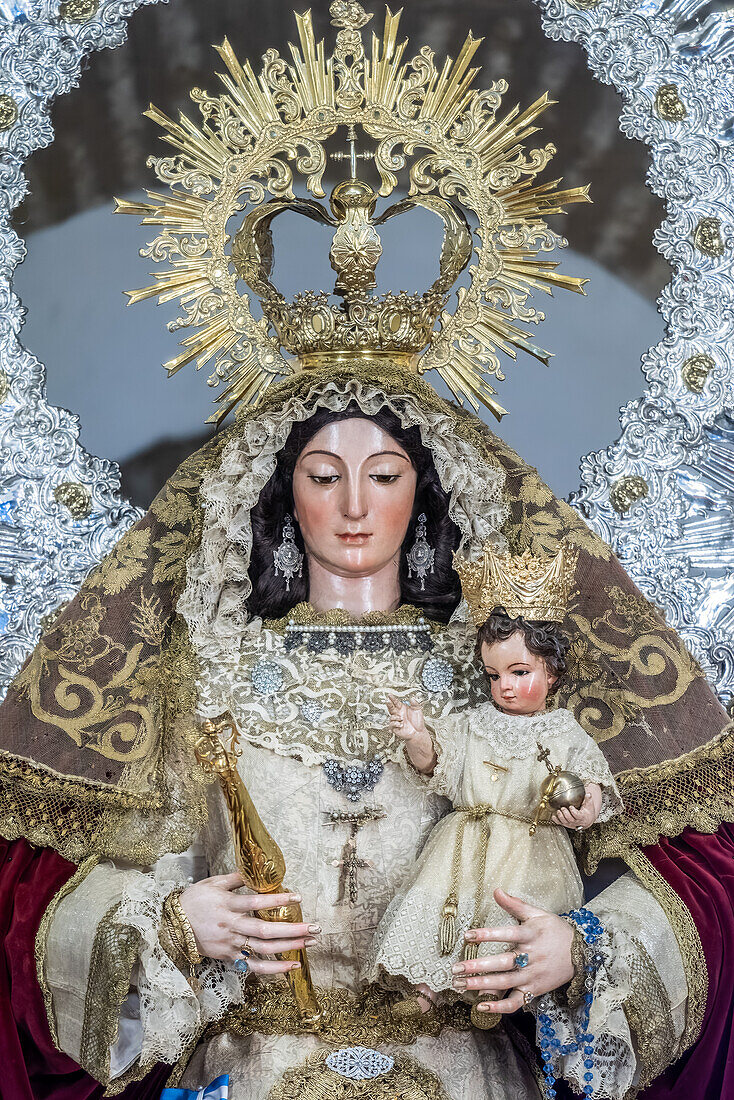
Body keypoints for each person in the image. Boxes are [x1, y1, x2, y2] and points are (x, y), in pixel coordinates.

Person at [2, 5, 734, 1099]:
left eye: (385, 475)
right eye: (322, 474)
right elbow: (87, 890)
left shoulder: (506, 670)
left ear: (427, 498)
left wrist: (578, 946)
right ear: (274, 494)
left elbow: (658, 874)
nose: (353, 504)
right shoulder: (199, 665)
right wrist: (167, 919)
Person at [365, 559, 622, 1023]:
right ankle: (426, 991)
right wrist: (415, 737)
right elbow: (437, 767)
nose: (504, 686)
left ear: (554, 673)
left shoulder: (564, 731)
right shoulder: (471, 723)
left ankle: (495, 996)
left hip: (531, 848)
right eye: (493, 675)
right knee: (444, 909)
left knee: (507, 925)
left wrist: (583, 810)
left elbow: (592, 784)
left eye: (519, 672)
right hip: (461, 844)